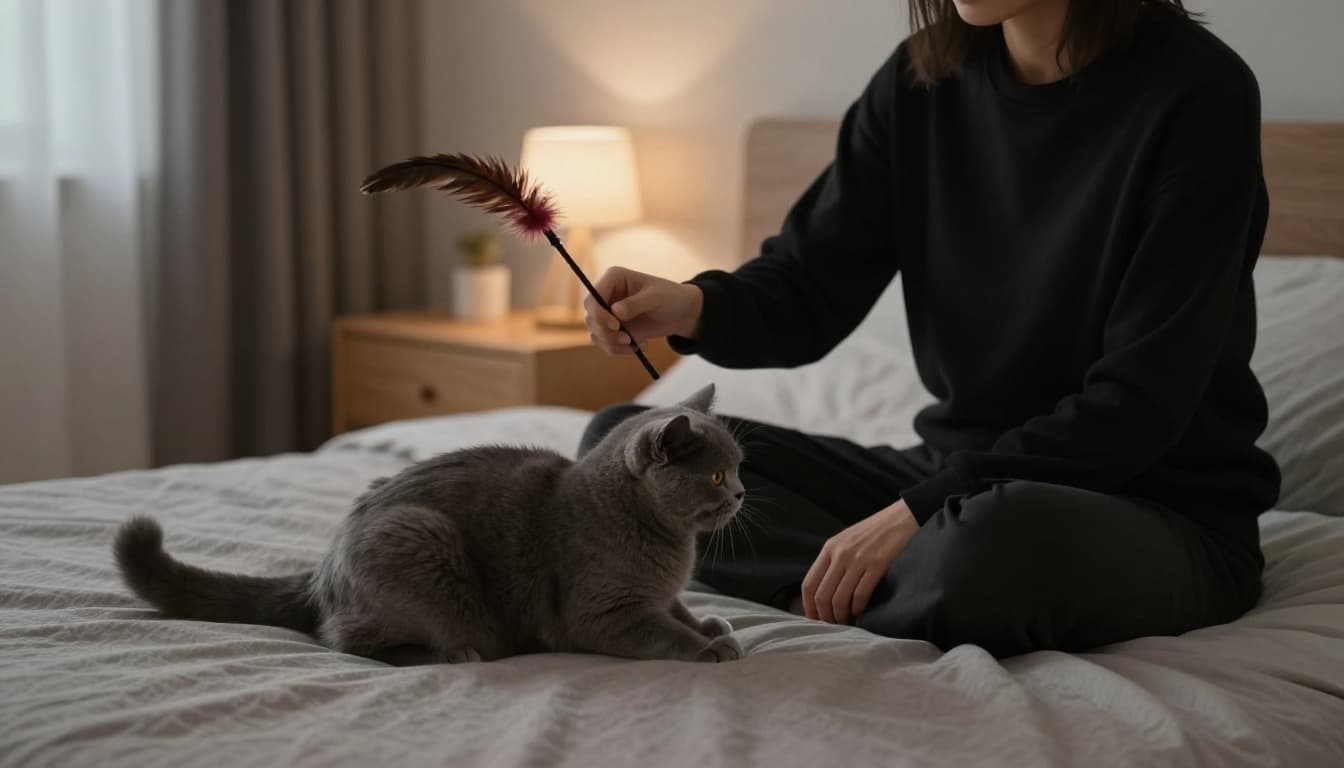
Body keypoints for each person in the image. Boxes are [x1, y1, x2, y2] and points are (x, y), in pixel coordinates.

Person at [577, 0, 1281, 657]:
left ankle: (888, 581)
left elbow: (1139, 405)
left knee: (985, 545)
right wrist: (690, 305)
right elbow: (808, 286)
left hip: (1149, 509)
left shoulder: (1197, 92)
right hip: (954, 481)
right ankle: (861, 589)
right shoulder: (921, 80)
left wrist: (917, 512)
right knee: (629, 453)